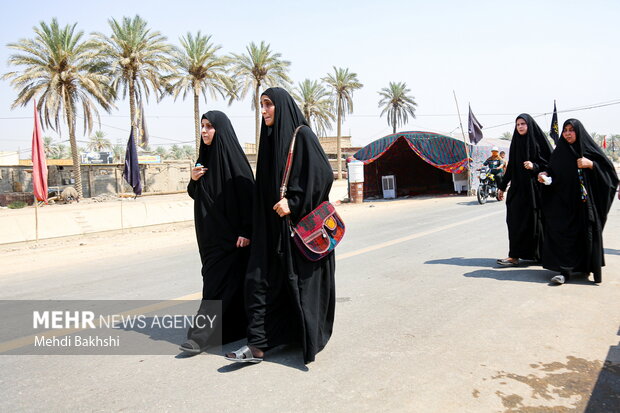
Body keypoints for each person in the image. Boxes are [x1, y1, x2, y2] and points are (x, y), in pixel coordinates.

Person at [225, 87, 336, 364]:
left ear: (282, 106)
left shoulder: (303, 136)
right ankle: (259, 345)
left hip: (296, 231)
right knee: (258, 282)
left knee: (297, 285)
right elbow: (260, 193)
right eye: (261, 105)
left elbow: (322, 176)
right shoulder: (270, 142)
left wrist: (294, 203)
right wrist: (251, 229)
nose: (263, 111)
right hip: (269, 232)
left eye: (268, 105)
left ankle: (296, 337)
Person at [179, 111, 255, 354]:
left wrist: (246, 229)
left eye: (209, 127)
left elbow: (248, 196)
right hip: (209, 237)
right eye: (202, 126)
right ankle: (233, 329)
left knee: (215, 287)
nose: (204, 131)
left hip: (232, 238)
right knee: (224, 284)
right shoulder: (204, 161)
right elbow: (197, 195)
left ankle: (199, 337)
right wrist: (193, 180)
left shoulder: (235, 162)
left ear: (220, 130)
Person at [538, 119, 618, 284]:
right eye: (565, 130)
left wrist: (592, 165)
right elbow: (552, 171)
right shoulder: (559, 152)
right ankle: (564, 271)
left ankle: (585, 267)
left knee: (587, 235)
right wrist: (544, 175)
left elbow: (610, 175)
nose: (567, 133)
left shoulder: (589, 150)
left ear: (579, 132)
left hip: (585, 204)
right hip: (563, 204)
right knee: (563, 236)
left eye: (571, 130)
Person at [496, 114, 553, 266]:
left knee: (536, 223)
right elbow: (511, 167)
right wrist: (502, 187)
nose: (520, 126)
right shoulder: (515, 143)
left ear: (529, 125)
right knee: (514, 221)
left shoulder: (538, 142)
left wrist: (534, 166)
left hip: (535, 190)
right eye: (517, 124)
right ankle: (514, 256)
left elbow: (550, 164)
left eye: (523, 124)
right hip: (517, 189)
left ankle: (540, 255)